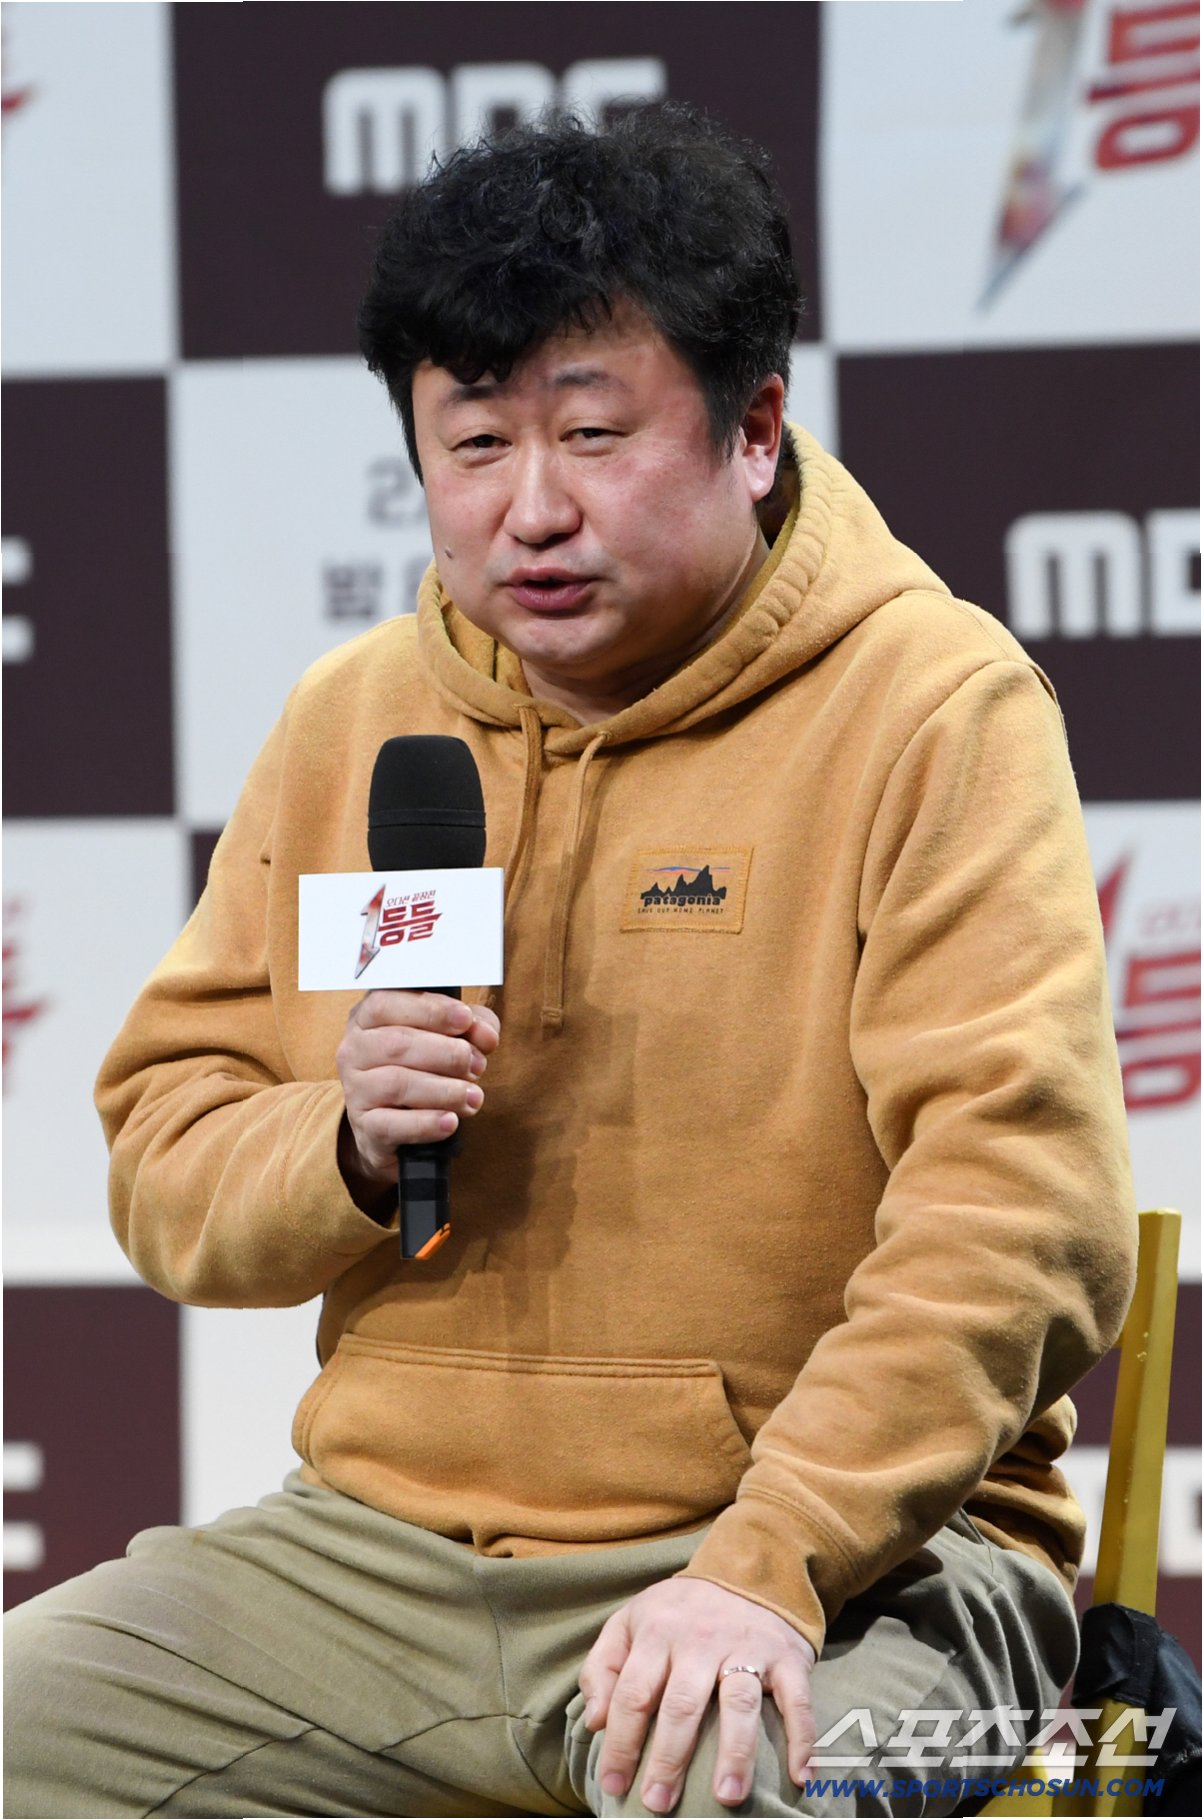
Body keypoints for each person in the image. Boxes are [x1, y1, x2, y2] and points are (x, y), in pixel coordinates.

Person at [5, 105, 1136, 1818]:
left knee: (719, 1795)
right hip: (383, 1558)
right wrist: (341, 1142)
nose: (532, 509)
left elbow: (1019, 1217)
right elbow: (168, 1160)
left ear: (755, 429)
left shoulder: (935, 710)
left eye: (595, 434)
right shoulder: (354, 721)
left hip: (859, 1565)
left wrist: (767, 1559)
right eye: (473, 444)